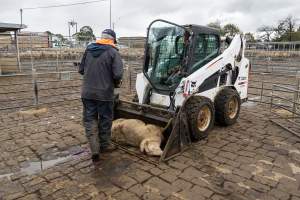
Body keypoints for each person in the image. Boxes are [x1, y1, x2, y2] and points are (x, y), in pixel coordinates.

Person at [78, 29, 123, 163]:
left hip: (87, 93)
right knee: (105, 119)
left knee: (90, 119)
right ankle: (105, 145)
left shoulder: (89, 49)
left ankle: (94, 149)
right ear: (112, 40)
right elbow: (118, 75)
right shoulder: (113, 52)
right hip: (105, 93)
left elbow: (81, 70)